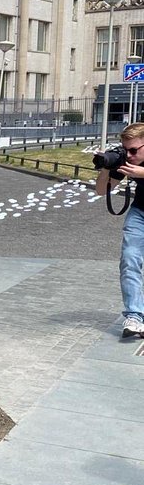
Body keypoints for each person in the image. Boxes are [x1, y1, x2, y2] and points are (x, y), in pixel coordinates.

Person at [95, 121, 144, 337]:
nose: (129, 155)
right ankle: (134, 316)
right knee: (129, 259)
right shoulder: (128, 161)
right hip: (140, 212)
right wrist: (108, 166)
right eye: (126, 150)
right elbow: (99, 190)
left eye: (134, 150)